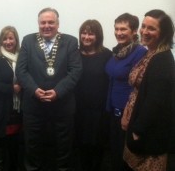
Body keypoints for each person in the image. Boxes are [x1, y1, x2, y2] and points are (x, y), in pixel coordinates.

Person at [16, 7, 82, 171]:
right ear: (38, 24)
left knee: (64, 146)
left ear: (58, 24)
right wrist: (34, 89)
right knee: (32, 145)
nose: (47, 26)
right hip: (33, 104)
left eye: (51, 22)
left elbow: (75, 71)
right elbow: (21, 70)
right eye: (43, 22)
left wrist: (58, 91)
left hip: (62, 105)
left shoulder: (71, 42)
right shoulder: (28, 40)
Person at [121, 10, 175, 171]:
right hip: (137, 120)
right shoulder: (151, 52)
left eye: (151, 28)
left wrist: (137, 131)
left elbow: (155, 101)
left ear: (163, 33)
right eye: (143, 26)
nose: (144, 31)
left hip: (147, 130)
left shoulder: (162, 60)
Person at [105, 13, 147, 171]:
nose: (119, 33)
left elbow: (138, 85)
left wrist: (128, 113)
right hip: (113, 108)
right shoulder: (117, 51)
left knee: (126, 156)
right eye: (116, 29)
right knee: (114, 151)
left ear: (134, 31)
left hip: (127, 111)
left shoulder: (140, 52)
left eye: (123, 29)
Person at [74, 20, 112, 171]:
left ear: (98, 36)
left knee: (98, 146)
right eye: (84, 32)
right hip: (78, 109)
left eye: (91, 33)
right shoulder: (74, 54)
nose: (86, 36)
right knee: (80, 146)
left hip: (100, 111)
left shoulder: (107, 55)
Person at [0, 26, 22, 171]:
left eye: (11, 38)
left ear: (16, 40)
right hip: (1, 109)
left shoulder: (21, 58)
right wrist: (11, 89)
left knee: (15, 144)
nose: (8, 42)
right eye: (5, 39)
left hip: (17, 109)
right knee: (0, 144)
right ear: (1, 41)